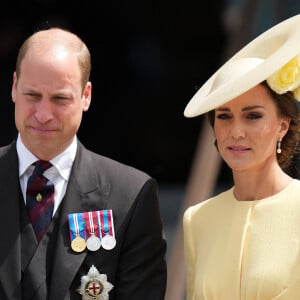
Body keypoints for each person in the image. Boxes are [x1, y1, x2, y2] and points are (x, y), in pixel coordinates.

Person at [0, 27, 167, 300]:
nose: (43, 115)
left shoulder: (131, 196)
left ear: (86, 96)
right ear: (14, 88)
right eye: (32, 95)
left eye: (60, 98)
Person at [183, 14, 300, 300]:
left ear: (282, 125)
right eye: (224, 116)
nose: (236, 132)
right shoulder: (197, 220)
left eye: (253, 116)